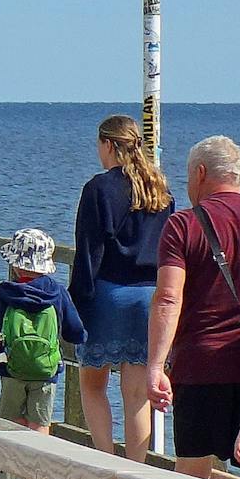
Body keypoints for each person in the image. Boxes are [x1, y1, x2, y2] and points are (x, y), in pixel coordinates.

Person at [147, 135, 240, 479]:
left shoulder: (184, 225)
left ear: (201, 175)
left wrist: (154, 365)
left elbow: (169, 297)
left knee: (192, 475)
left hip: (202, 364)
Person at [70, 114, 174, 461]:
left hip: (109, 295)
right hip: (150, 297)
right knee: (136, 396)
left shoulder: (98, 189)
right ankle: (136, 473)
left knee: (92, 385)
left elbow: (89, 253)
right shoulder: (161, 192)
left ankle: (105, 463)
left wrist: (77, 306)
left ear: (109, 145)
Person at [0, 228, 84, 436]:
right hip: (46, 372)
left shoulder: (6, 292)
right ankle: (36, 467)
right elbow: (75, 333)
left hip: (10, 369)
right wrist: (84, 338)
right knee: (40, 423)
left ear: (15, 264)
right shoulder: (57, 293)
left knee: (12, 423)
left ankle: (9, 468)